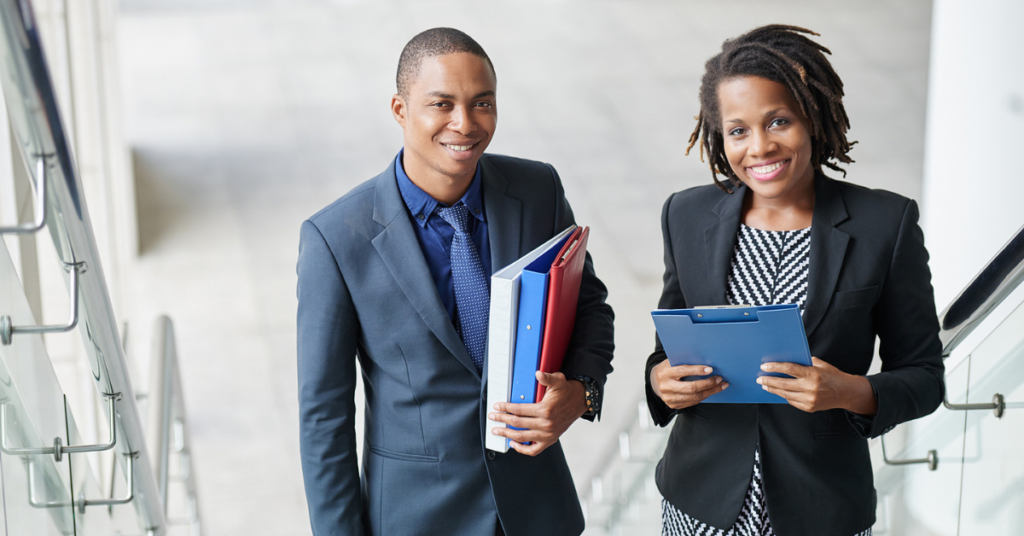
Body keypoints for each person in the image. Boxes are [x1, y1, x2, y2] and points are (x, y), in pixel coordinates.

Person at [297, 27, 614, 536]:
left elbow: (590, 307)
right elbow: (324, 418)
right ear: (401, 110)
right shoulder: (335, 239)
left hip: (537, 510)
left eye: (482, 103)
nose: (464, 124)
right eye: (441, 104)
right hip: (416, 516)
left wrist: (582, 392)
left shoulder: (538, 190)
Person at [645, 25, 944, 536]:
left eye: (778, 121)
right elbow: (668, 349)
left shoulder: (884, 225)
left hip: (823, 509)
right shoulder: (687, 214)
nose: (759, 147)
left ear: (812, 116)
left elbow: (923, 376)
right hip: (699, 505)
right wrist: (658, 381)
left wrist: (850, 391)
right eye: (738, 130)